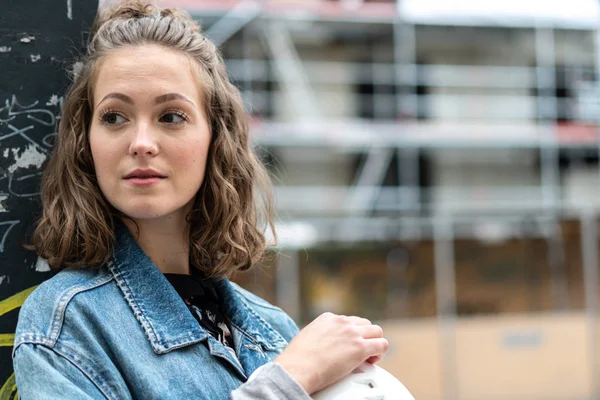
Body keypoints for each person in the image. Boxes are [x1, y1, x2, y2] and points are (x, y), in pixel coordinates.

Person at [12, 1, 388, 399]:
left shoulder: (274, 329)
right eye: (114, 117)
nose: (141, 143)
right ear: (85, 143)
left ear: (216, 138)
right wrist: (284, 384)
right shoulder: (67, 326)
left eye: (171, 116)